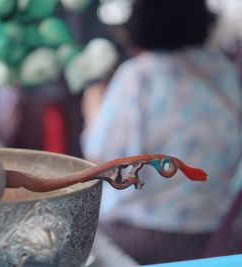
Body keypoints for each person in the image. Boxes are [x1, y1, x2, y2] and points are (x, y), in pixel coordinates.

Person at [81, 0, 242, 264]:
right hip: (212, 235)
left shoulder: (139, 76)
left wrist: (93, 107)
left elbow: (99, 156)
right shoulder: (222, 70)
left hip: (139, 233)